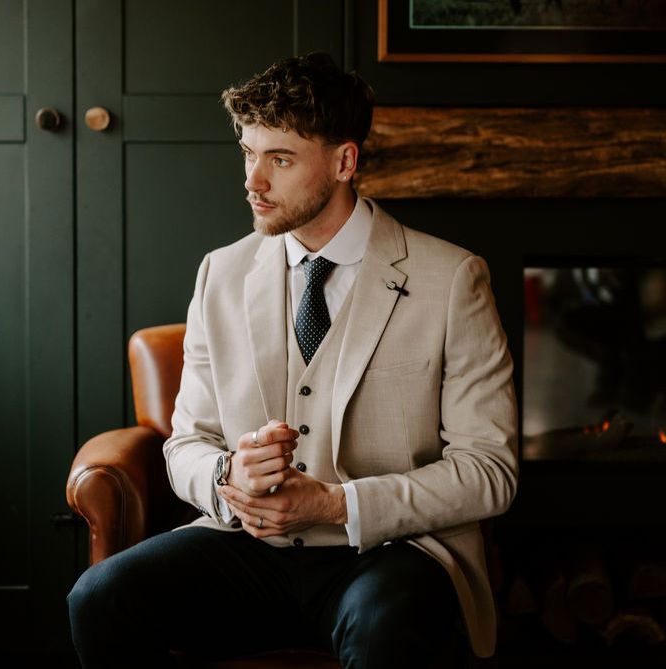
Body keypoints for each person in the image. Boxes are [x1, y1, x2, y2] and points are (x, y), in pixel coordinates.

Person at [67, 52, 519, 669]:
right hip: (244, 548)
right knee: (100, 597)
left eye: (279, 159)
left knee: (391, 627)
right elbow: (186, 443)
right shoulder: (220, 274)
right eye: (249, 154)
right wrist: (229, 477)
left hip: (390, 552)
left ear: (344, 162)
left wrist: (337, 505)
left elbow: (491, 470)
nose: (253, 181)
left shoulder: (451, 279)